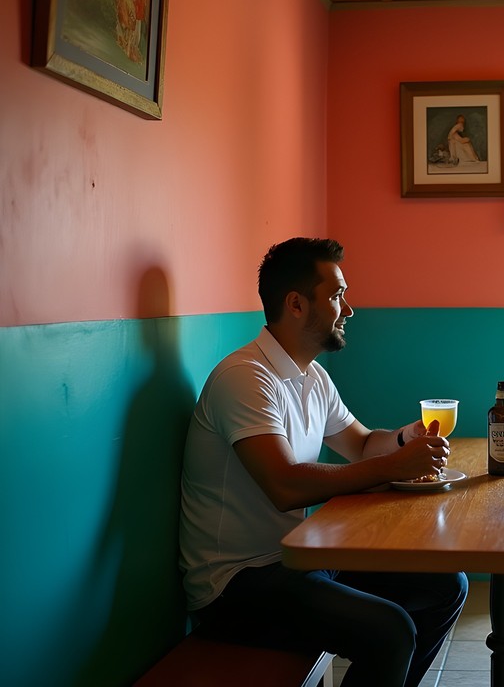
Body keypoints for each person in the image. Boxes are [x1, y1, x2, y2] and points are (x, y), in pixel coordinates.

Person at [179, 238, 468, 687]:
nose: (348, 309)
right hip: (237, 583)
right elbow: (285, 486)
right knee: (390, 631)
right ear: (296, 304)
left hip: (300, 559)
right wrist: (394, 467)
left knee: (446, 585)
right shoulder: (245, 378)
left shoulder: (312, 376)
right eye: (336, 296)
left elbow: (363, 444)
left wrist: (406, 439)